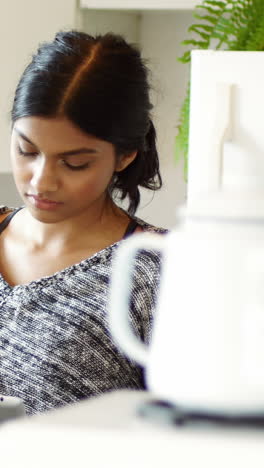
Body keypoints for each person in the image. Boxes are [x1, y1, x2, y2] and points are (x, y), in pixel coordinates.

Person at [0, 30, 167, 415]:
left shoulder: (161, 267)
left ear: (124, 155)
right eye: (26, 150)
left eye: (75, 163)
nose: (41, 181)